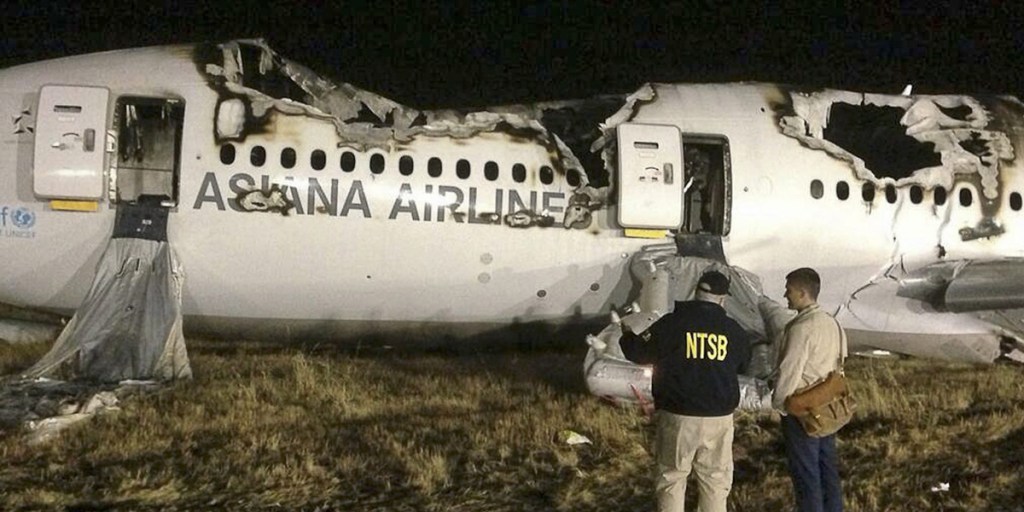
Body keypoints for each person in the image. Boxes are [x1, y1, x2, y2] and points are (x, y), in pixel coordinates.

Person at [620, 270, 752, 512]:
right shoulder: (734, 330)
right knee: (715, 481)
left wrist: (626, 333)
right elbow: (745, 364)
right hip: (720, 417)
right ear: (723, 299)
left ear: (696, 293)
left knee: (672, 478)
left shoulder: (671, 323)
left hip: (679, 415)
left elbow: (638, 353)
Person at [773, 267, 846, 512]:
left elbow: (789, 371)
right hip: (827, 406)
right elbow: (841, 361)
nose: (785, 295)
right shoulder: (833, 323)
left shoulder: (800, 328)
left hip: (803, 411)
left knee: (806, 476)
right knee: (827, 470)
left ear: (803, 293)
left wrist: (780, 405)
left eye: (789, 290)